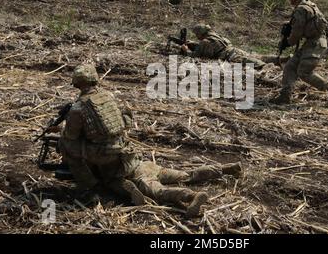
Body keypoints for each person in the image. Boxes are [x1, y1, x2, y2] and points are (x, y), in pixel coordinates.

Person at [58, 64, 242, 217]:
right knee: (183, 174)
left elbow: (71, 137)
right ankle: (224, 169)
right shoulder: (108, 98)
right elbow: (124, 121)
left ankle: (191, 196)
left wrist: (62, 132)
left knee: (156, 190)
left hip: (115, 168)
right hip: (132, 158)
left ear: (76, 84)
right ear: (94, 80)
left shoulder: (77, 109)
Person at [271, 0, 328, 105]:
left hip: (315, 44)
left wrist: (288, 42)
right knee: (290, 67)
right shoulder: (310, 4)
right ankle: (285, 96)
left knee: (304, 73)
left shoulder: (301, 9)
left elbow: (297, 31)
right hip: (312, 43)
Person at [180, 24, 266, 70]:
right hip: (235, 50)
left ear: (200, 33)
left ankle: (265, 65)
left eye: (197, 34)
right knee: (257, 57)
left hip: (230, 56)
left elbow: (196, 55)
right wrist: (194, 43)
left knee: (257, 64)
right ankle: (277, 59)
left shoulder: (205, 41)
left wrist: (186, 50)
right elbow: (210, 45)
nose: (196, 36)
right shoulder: (214, 35)